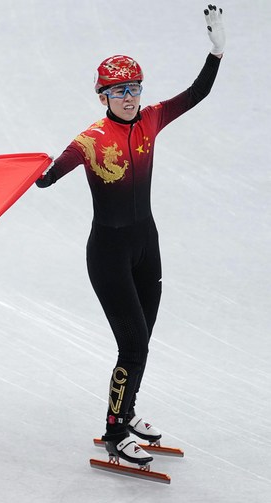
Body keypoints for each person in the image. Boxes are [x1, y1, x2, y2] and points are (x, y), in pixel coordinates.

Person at [35, 6, 225, 467]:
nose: (129, 97)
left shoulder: (153, 119)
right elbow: (45, 178)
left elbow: (195, 94)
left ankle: (128, 411)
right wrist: (27, 170)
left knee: (142, 340)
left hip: (147, 247)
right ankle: (115, 429)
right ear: (103, 96)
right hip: (109, 255)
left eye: (134, 89)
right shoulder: (90, 141)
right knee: (133, 344)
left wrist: (216, 53)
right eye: (119, 91)